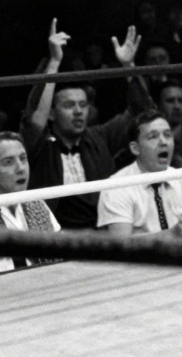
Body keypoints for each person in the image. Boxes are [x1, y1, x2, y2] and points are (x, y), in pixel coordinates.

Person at [22, 21, 150, 229]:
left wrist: (129, 67)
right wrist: (54, 62)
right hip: (54, 239)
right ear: (52, 113)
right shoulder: (39, 143)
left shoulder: (100, 135)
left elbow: (143, 116)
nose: (79, 111)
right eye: (69, 105)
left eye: (83, 104)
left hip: (102, 233)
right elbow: (36, 118)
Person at [96, 111, 182, 237]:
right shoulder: (116, 186)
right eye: (153, 137)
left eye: (167, 135)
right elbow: (121, 246)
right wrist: (172, 235)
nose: (163, 142)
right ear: (135, 148)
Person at [0, 132, 61, 273]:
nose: (20, 168)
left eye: (23, 159)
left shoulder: (37, 204)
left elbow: (58, 258)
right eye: (9, 162)